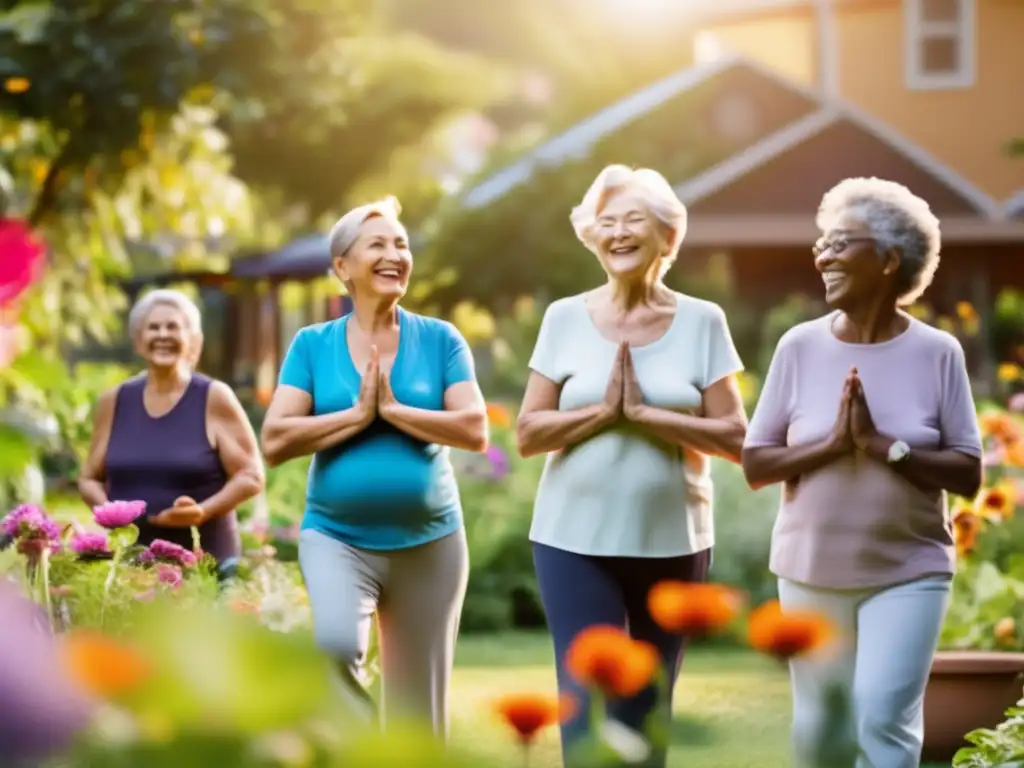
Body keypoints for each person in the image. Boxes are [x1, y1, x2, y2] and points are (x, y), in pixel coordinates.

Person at [742, 177, 983, 767]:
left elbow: (968, 473)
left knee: (883, 718)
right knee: (820, 730)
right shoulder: (798, 347)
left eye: (841, 243)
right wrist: (831, 444)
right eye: (821, 242)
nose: (823, 255)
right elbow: (756, 462)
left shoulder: (938, 353)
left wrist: (882, 446)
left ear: (889, 258)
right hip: (810, 571)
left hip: (909, 571)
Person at [516, 165, 748, 766]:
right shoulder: (565, 318)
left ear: (667, 238)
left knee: (647, 705)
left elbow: (734, 438)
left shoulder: (702, 322)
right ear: (593, 238)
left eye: (633, 221)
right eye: (607, 223)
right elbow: (528, 433)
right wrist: (603, 413)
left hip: (673, 540)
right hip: (572, 539)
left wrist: (645, 416)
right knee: (586, 698)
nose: (617, 233)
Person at [260, 196, 487, 736]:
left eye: (402, 244)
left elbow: (474, 428)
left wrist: (396, 411)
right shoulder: (312, 345)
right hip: (338, 537)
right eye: (378, 244)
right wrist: (359, 415)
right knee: (335, 647)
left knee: (418, 711)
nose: (395, 254)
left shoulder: (440, 339)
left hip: (430, 543)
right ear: (342, 267)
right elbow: (275, 439)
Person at [78, 289, 264, 572]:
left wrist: (203, 511)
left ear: (192, 341)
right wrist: (111, 515)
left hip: (204, 564)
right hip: (131, 564)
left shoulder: (214, 396)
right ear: (139, 342)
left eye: (173, 327)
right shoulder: (114, 401)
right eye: (153, 327)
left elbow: (251, 476)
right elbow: (89, 478)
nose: (162, 335)